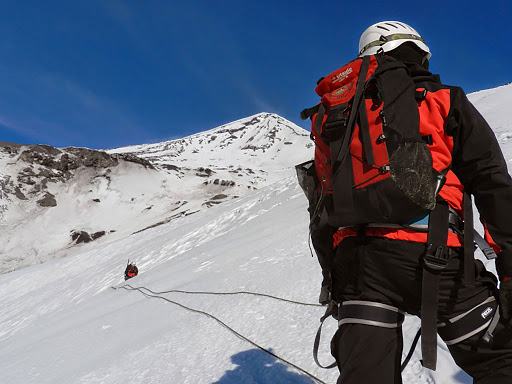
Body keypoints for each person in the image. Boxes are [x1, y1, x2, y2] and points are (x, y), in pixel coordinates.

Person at [305, 21, 512, 384]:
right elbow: (493, 186)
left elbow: (321, 209)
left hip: (357, 265)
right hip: (433, 256)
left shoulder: (332, 117)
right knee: (501, 361)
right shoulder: (442, 99)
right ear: (417, 53)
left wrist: (333, 283)